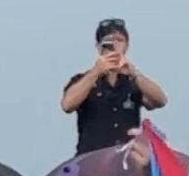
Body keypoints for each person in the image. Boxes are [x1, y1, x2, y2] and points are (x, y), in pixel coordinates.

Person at [61, 18, 167, 156]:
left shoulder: (133, 82)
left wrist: (134, 73)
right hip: (92, 160)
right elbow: (67, 105)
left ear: (127, 45)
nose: (114, 45)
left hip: (127, 161)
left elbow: (160, 100)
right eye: (109, 41)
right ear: (99, 47)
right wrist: (96, 72)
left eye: (119, 40)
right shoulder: (83, 80)